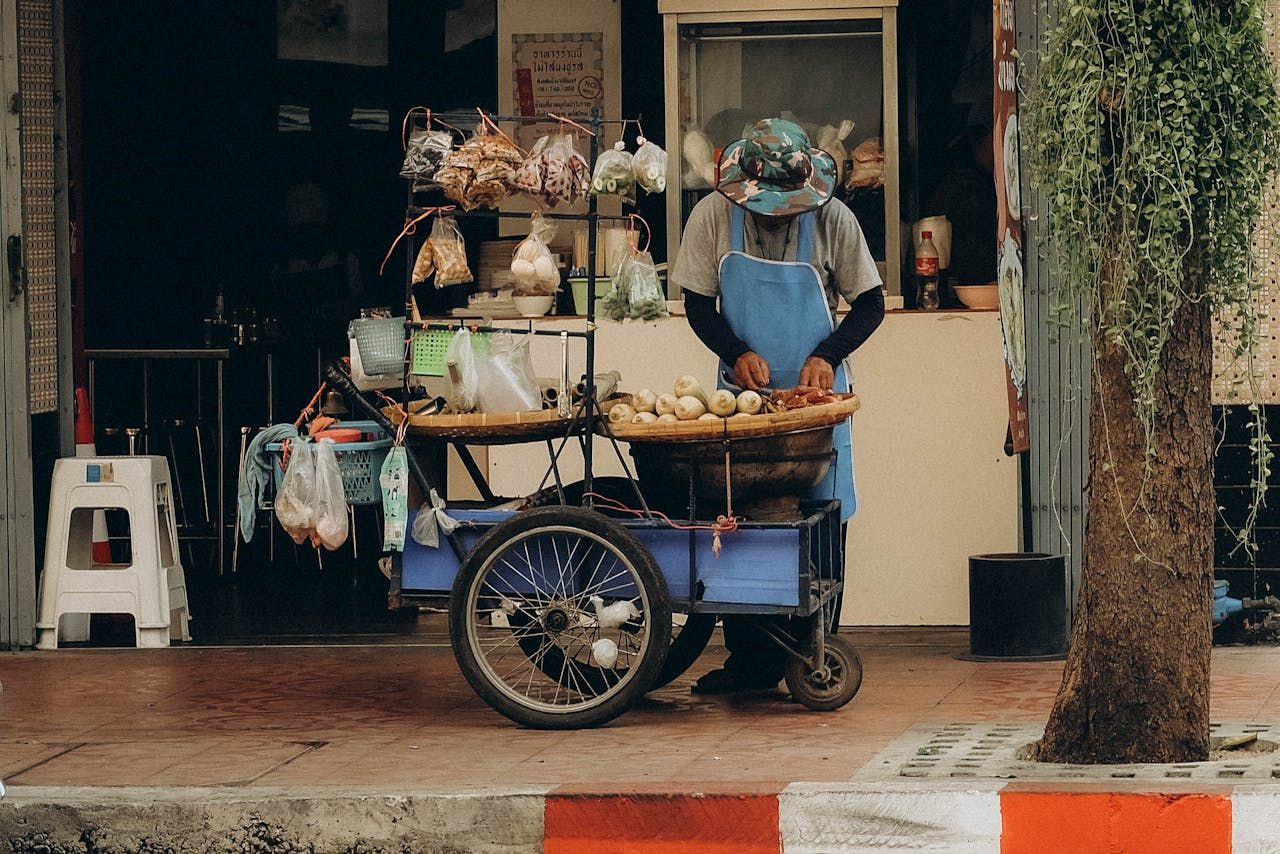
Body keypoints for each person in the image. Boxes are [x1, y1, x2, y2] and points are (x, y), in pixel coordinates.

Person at [670, 117, 885, 694]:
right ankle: (751, 664)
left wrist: (827, 353)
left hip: (818, 405)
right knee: (744, 524)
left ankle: (811, 652)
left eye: (786, 208)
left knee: (820, 523)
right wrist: (735, 350)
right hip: (744, 406)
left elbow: (869, 305)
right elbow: (697, 303)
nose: (776, 217)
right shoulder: (713, 216)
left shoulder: (834, 219)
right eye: (766, 208)